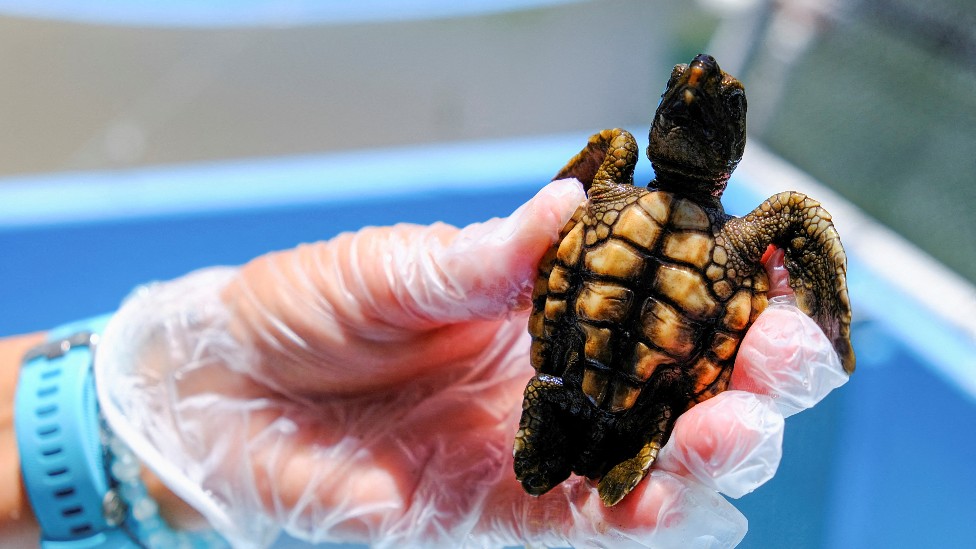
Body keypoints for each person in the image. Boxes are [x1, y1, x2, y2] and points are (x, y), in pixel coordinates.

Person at [0, 178, 848, 548]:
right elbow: (803, 232)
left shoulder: (620, 188)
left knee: (650, 460)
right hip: (584, 369)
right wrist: (173, 403)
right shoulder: (751, 224)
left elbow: (565, 228)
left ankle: (605, 441)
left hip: (563, 363)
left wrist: (155, 408)